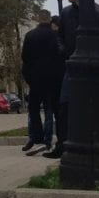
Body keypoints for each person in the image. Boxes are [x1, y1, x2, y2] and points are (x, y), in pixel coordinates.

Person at [45, 0, 99, 160]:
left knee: (95, 107)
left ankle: (96, 141)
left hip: (96, 69)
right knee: (65, 106)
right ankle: (63, 144)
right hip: (73, 67)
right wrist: (64, 51)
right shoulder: (66, 14)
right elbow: (60, 37)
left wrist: (98, 52)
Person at [21, 9, 64, 154]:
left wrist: (29, 77)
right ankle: (54, 139)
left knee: (33, 108)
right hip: (53, 79)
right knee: (52, 110)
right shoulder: (55, 36)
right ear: (49, 19)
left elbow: (25, 58)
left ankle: (37, 135)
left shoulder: (30, 36)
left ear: (39, 19)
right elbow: (60, 55)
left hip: (36, 78)